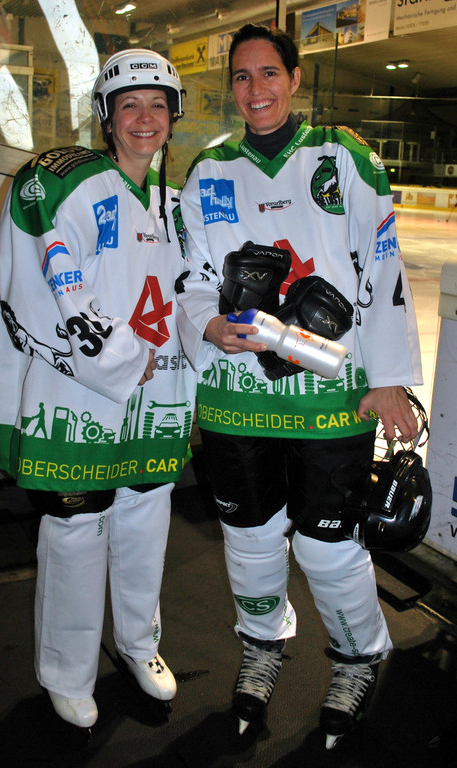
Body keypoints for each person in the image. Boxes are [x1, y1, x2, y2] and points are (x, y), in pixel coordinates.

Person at [176, 23, 423, 748]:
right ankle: (262, 646)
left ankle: (358, 656)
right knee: (249, 541)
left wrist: (390, 380)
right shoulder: (209, 170)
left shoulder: (344, 157)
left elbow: (384, 264)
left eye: (268, 74)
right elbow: (190, 274)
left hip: (330, 397)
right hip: (237, 398)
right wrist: (208, 324)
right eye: (242, 76)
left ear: (294, 79)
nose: (255, 89)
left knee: (327, 548)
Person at [0, 49, 196, 729]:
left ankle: (139, 644)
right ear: (106, 116)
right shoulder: (59, 182)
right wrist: (121, 357)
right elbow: (43, 285)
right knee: (77, 529)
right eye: (129, 104)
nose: (145, 117)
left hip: (159, 396)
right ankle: (68, 672)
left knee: (146, 516)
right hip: (77, 394)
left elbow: (194, 296)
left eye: (158, 105)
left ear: (173, 117)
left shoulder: (179, 205)